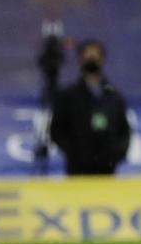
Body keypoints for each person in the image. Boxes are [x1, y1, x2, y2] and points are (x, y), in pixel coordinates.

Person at [49, 40, 131, 176]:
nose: (91, 61)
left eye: (95, 57)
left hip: (107, 168)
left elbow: (124, 130)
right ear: (80, 59)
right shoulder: (68, 96)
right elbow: (56, 130)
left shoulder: (114, 96)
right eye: (88, 57)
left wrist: (116, 153)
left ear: (102, 60)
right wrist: (73, 152)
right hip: (78, 169)